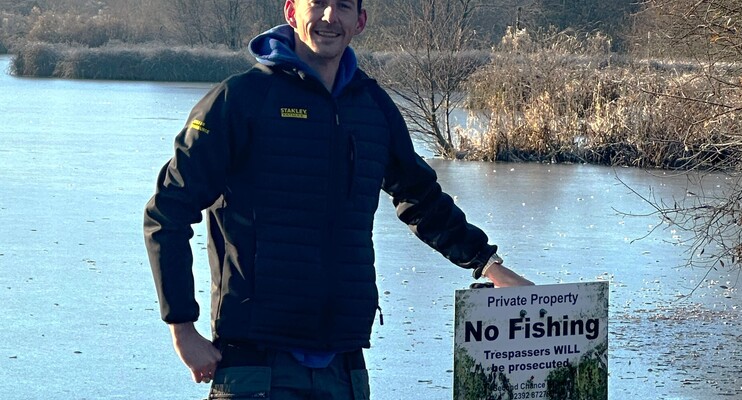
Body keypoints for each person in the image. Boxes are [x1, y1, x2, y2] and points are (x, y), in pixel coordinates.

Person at [143, 0, 533, 398]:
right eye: (318, 4)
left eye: (343, 6)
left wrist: (489, 265)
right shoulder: (240, 99)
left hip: (344, 366)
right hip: (255, 365)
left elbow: (421, 198)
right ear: (291, 12)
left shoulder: (371, 106)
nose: (329, 17)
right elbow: (166, 212)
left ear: (360, 21)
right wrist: (182, 328)